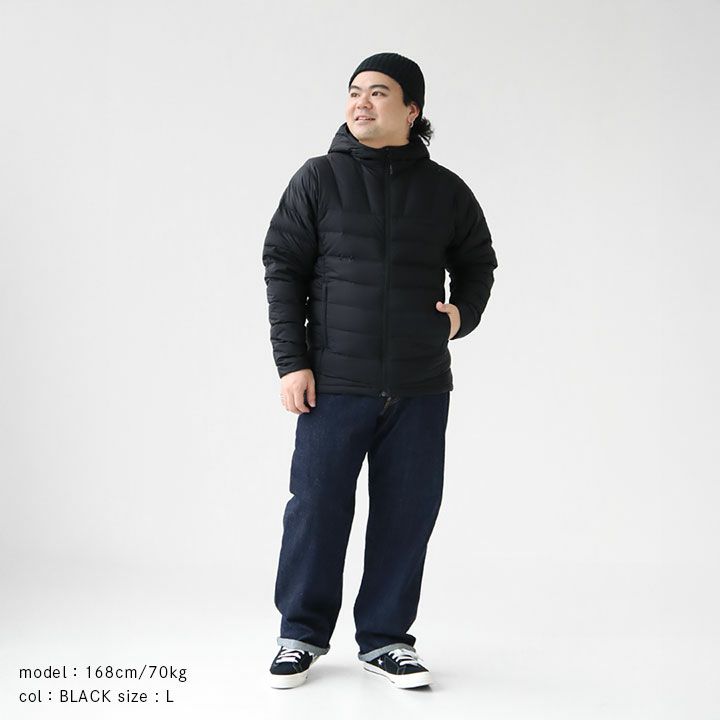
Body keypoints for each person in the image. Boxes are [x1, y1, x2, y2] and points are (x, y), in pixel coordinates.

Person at [262, 52, 498, 689]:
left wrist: (460, 316)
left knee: (407, 512)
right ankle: (299, 635)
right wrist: (292, 363)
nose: (361, 102)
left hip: (420, 384)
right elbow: (283, 268)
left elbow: (478, 262)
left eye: (379, 92)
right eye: (354, 91)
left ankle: (387, 640)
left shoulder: (445, 190)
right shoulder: (318, 178)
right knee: (316, 507)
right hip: (334, 380)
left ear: (411, 109)